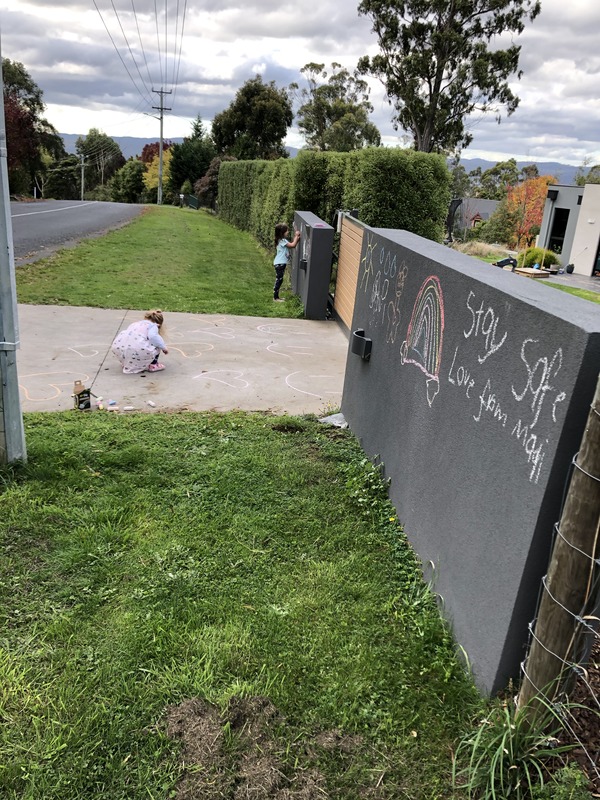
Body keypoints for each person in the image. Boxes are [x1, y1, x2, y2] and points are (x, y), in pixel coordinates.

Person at [111, 309, 169, 374]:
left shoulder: (135, 324)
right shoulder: (153, 326)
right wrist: (163, 347)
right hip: (137, 348)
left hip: (119, 347)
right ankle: (153, 365)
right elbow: (153, 337)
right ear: (159, 324)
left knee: (130, 345)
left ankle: (127, 363)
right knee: (157, 344)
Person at [273, 222, 300, 301]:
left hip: (280, 264)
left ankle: (277, 297)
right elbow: (292, 245)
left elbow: (293, 244)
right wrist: (296, 236)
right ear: (282, 233)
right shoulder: (282, 241)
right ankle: (275, 298)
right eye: (287, 231)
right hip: (280, 264)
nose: (288, 232)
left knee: (280, 279)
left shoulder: (280, 240)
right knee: (279, 280)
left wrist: (296, 239)